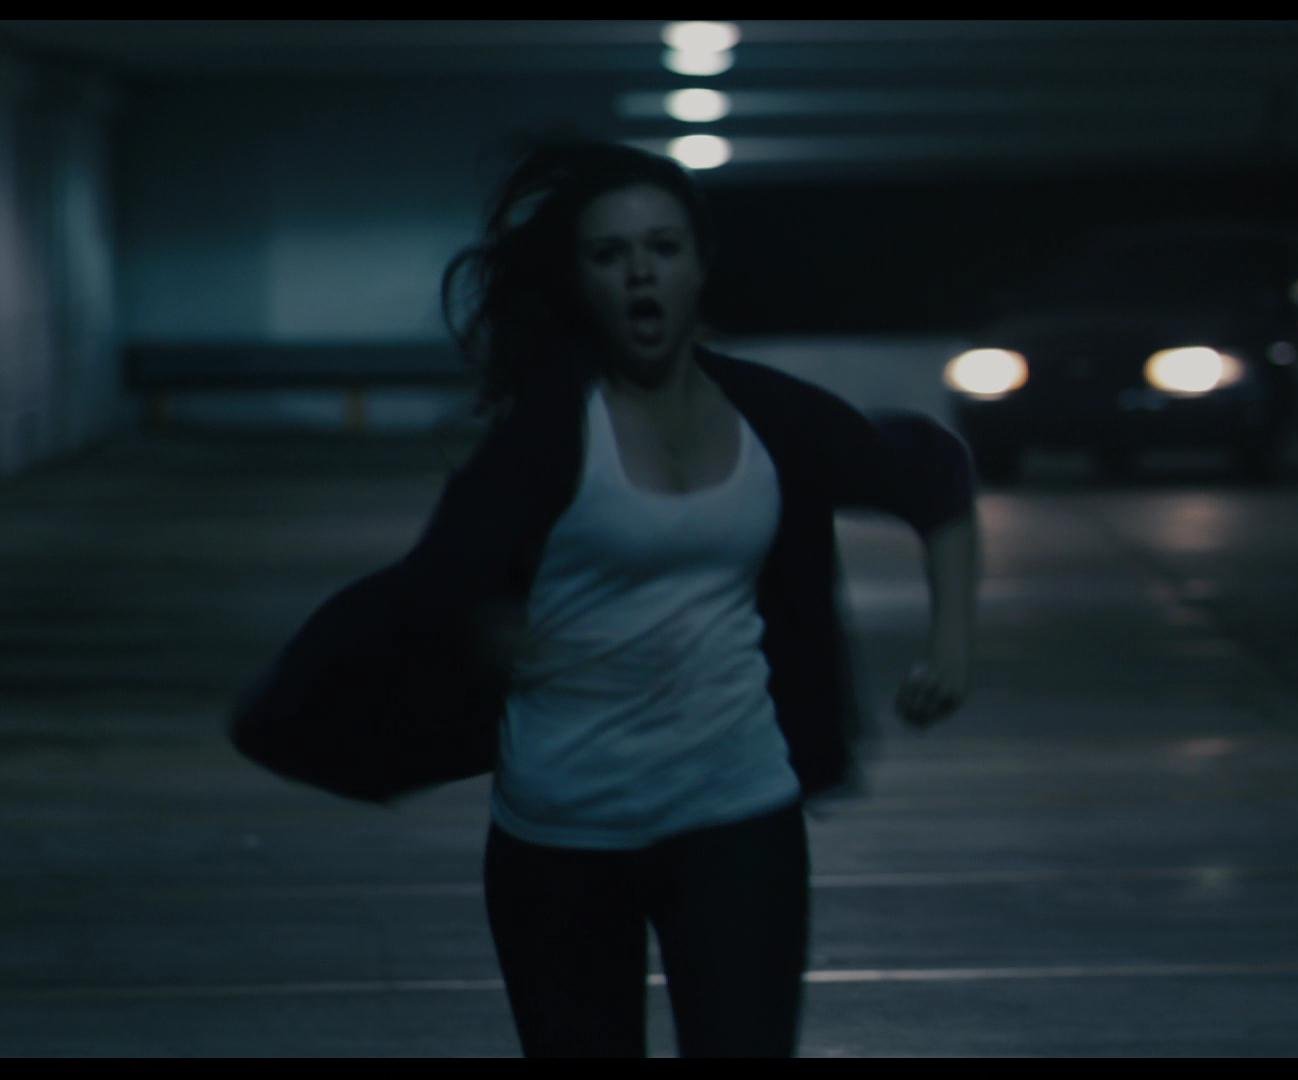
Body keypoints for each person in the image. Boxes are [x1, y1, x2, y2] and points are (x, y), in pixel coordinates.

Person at [234, 135, 979, 1058]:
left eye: (663, 248)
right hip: (564, 836)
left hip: (736, 816)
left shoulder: (770, 418)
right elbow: (439, 582)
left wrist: (952, 650)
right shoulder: (547, 437)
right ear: (580, 281)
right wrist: (486, 628)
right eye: (610, 254)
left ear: (700, 265)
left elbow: (934, 478)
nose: (640, 274)